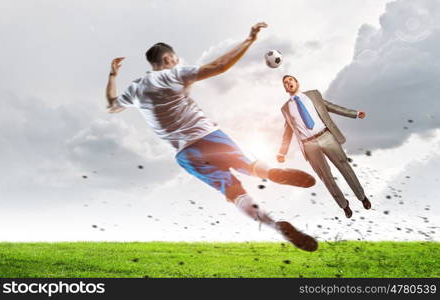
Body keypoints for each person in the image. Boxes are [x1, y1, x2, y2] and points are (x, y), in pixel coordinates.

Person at [105, 23, 318, 251]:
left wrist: (113, 75)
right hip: (208, 136)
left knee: (233, 192)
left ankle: (275, 226)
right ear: (168, 59)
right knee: (249, 165)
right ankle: (270, 173)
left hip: (185, 154)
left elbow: (111, 105)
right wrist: (250, 40)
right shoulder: (175, 74)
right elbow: (220, 65)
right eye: (175, 57)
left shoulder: (135, 89)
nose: (177, 61)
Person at [277, 75, 372, 218]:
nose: (288, 82)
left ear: (297, 82)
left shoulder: (313, 95)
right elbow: (287, 131)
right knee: (326, 178)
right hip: (309, 145)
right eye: (285, 82)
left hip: (326, 136)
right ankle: (344, 205)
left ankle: (361, 196)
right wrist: (282, 153)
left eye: (291, 80)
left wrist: (355, 113)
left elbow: (331, 107)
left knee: (344, 167)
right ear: (285, 88)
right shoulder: (285, 108)